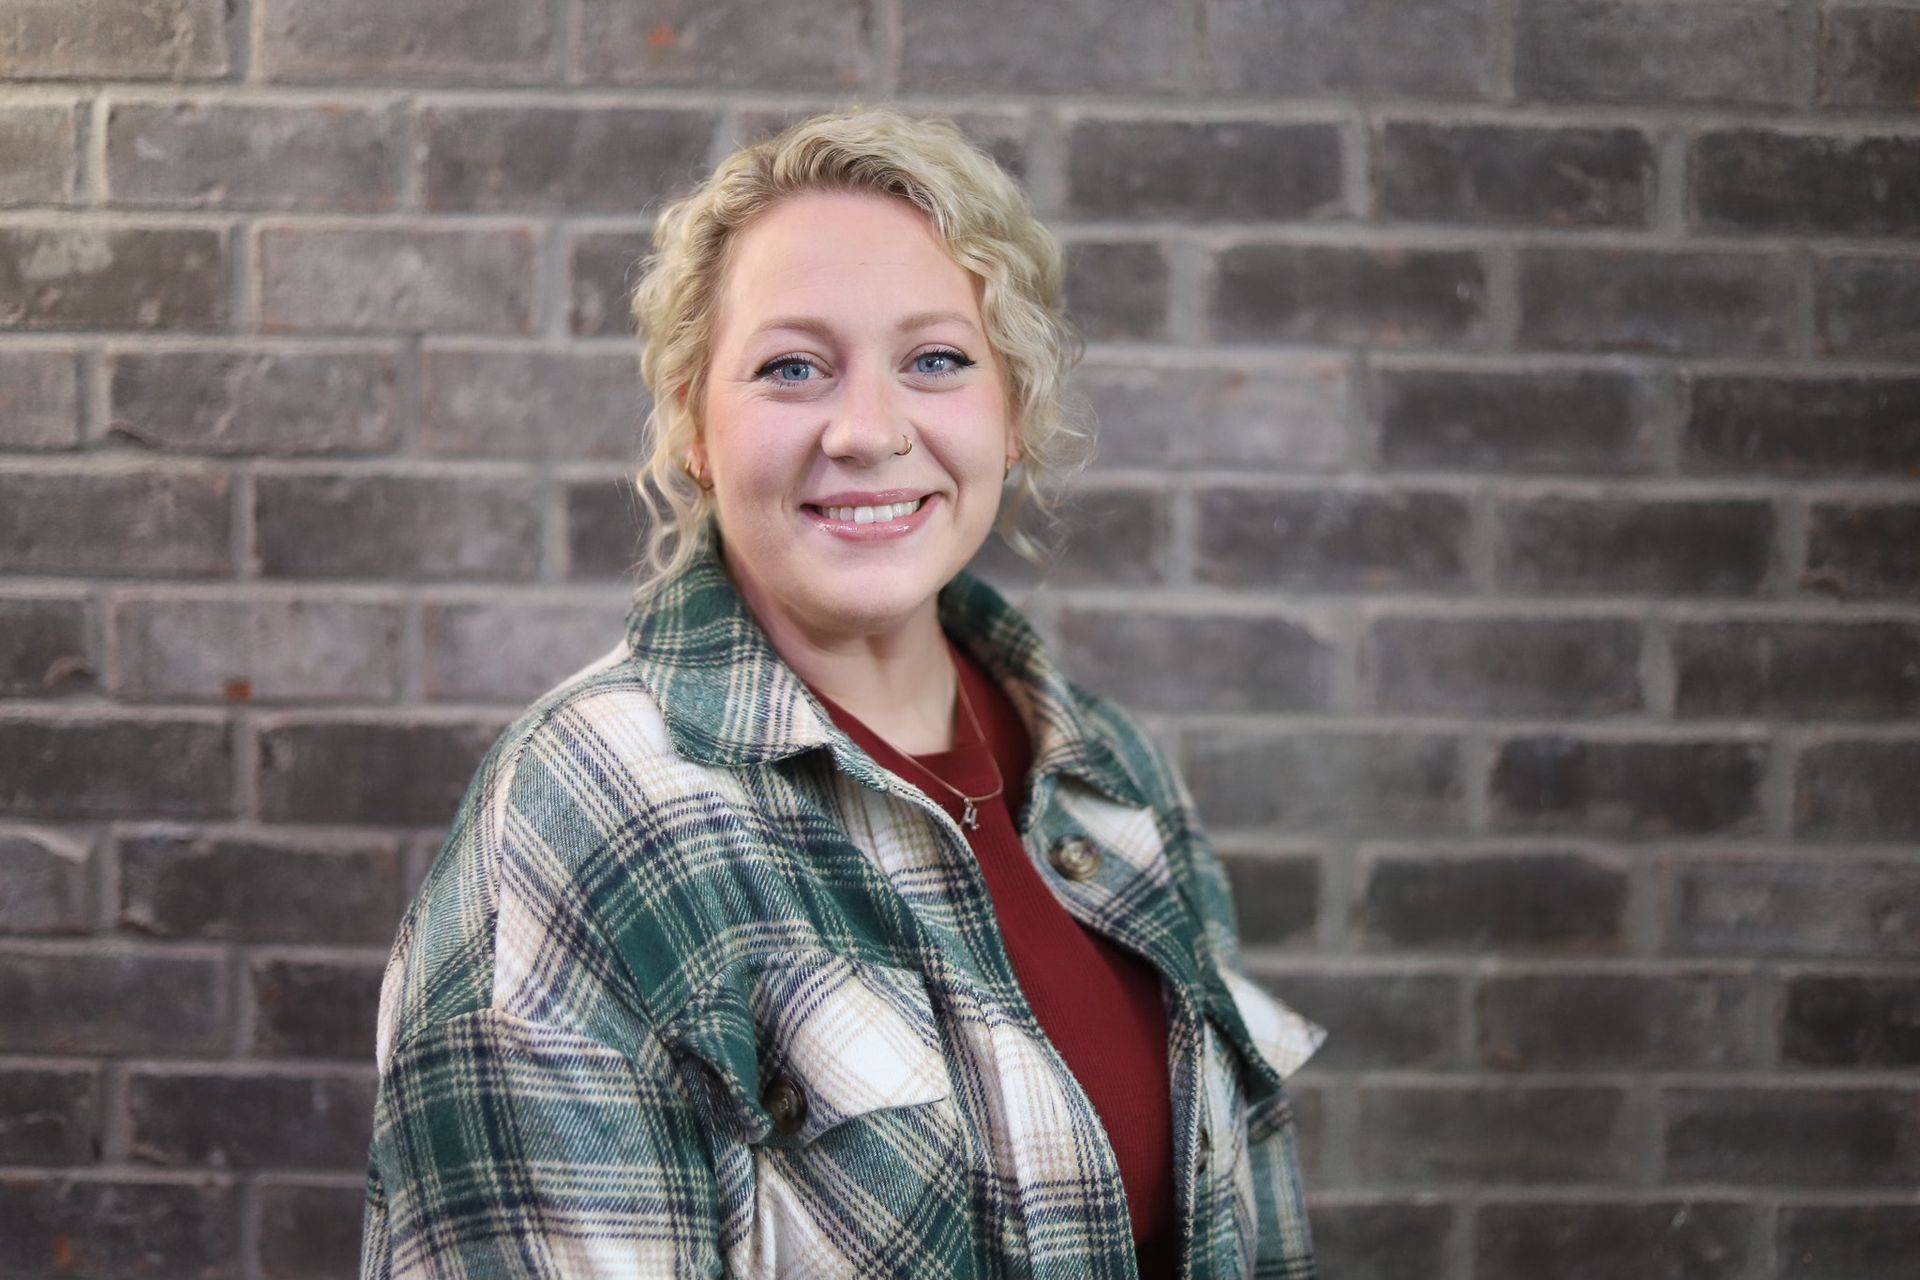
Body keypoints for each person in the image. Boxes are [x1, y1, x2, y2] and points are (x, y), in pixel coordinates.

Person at [358, 105, 1323, 1280]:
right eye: (792, 367)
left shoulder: (1108, 767)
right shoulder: (581, 820)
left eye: (936, 359)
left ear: (1009, 414)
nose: (868, 431)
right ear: (693, 427)